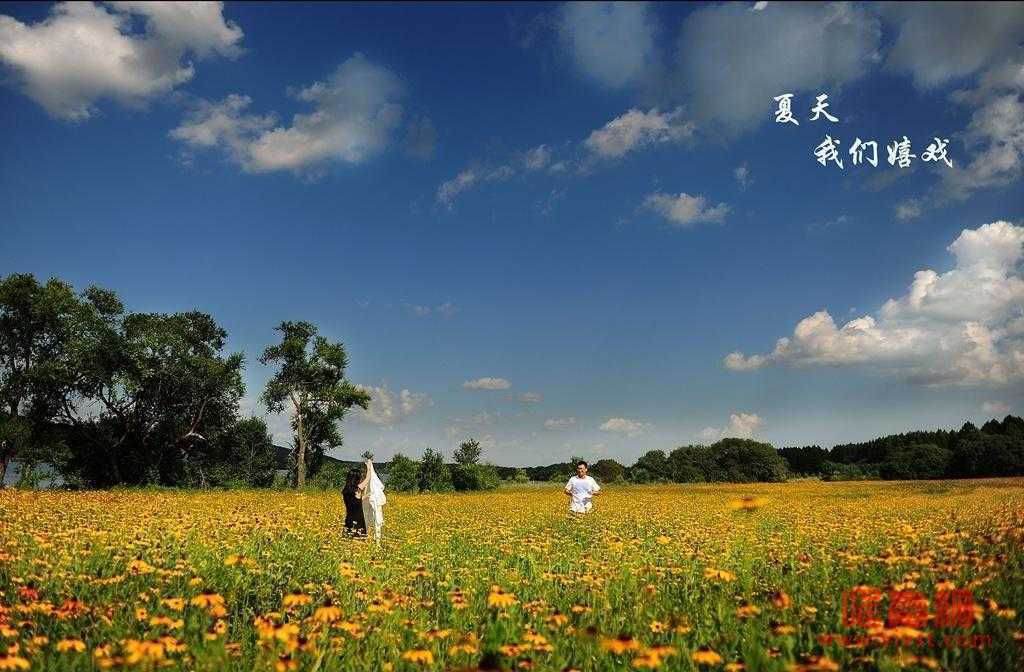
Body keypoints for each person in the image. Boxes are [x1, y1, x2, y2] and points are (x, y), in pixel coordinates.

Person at [357, 458, 386, 542]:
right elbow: (367, 478)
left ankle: (366, 539)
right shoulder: (358, 488)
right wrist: (369, 468)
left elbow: (367, 480)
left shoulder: (353, 488)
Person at [342, 468, 366, 537]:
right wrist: (370, 467)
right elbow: (367, 479)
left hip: (348, 520)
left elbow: (357, 500)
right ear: (356, 479)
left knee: (347, 542)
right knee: (358, 543)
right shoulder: (357, 490)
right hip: (358, 522)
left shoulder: (345, 491)